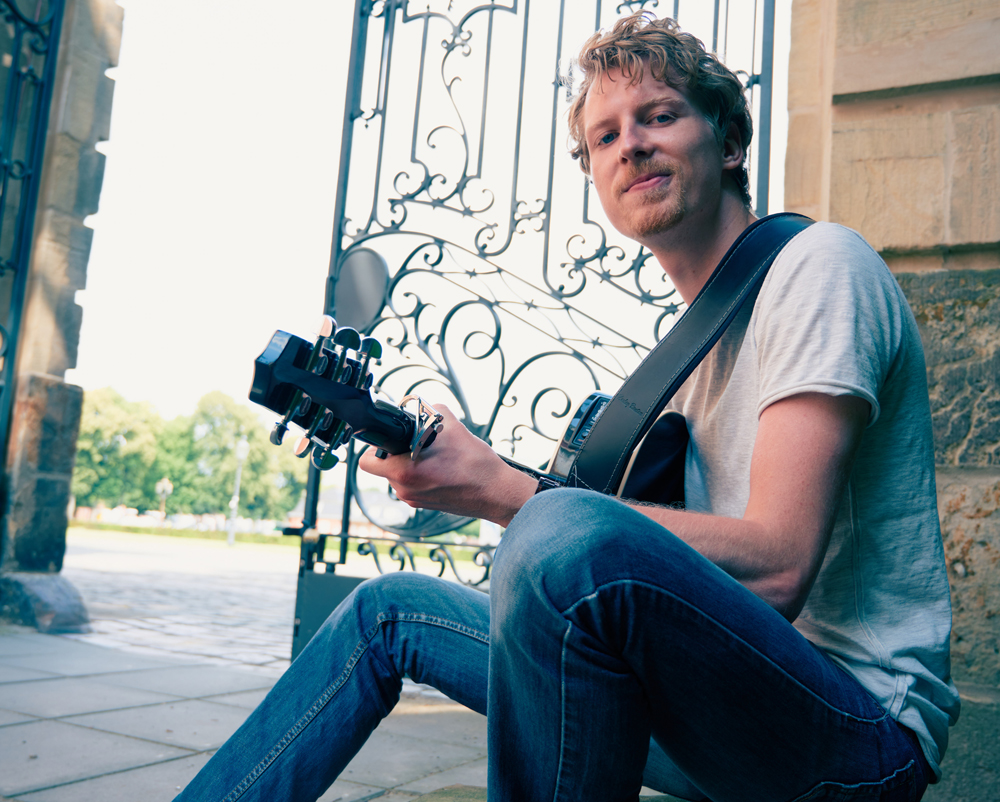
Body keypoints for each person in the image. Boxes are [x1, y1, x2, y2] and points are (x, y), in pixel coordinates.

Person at [176, 12, 959, 802]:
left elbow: (779, 565)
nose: (631, 146)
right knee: (387, 611)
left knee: (556, 527)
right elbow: (635, 585)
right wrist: (481, 480)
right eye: (605, 136)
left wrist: (509, 493)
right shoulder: (681, 362)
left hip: (857, 738)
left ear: (727, 142)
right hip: (717, 711)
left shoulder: (818, 266)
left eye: (659, 116)